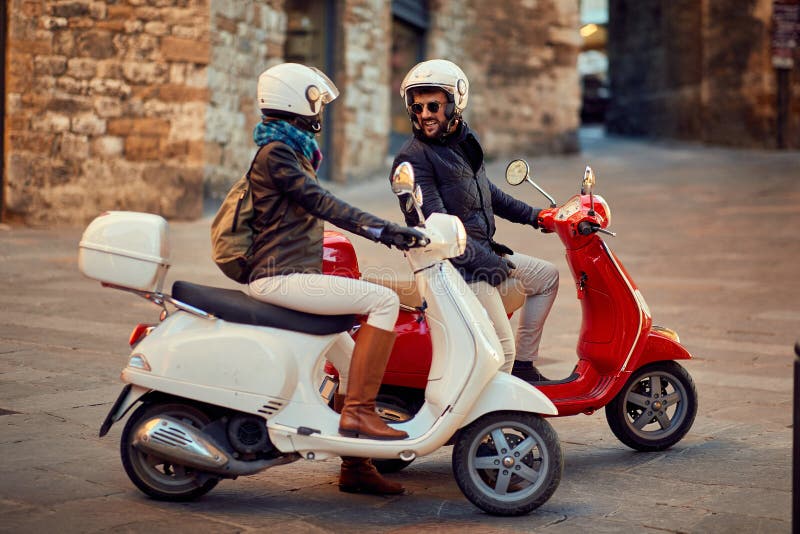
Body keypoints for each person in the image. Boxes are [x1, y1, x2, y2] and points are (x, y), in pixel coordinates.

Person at [246, 63, 423, 495]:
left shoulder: (289, 151)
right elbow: (322, 202)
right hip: (279, 276)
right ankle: (360, 411)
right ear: (294, 100)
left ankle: (355, 467)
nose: (318, 109)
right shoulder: (278, 156)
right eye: (314, 100)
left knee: (346, 364)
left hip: (290, 271)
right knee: (380, 301)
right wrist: (384, 230)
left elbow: (311, 208)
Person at [391, 59, 559, 383]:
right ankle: (485, 426)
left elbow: (487, 192)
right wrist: (490, 265)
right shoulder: (413, 159)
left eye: (433, 105)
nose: (424, 114)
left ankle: (524, 369)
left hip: (482, 252)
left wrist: (537, 216)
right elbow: (439, 233)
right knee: (501, 350)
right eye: (417, 106)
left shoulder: (464, 141)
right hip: (455, 269)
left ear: (455, 103)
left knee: (546, 278)